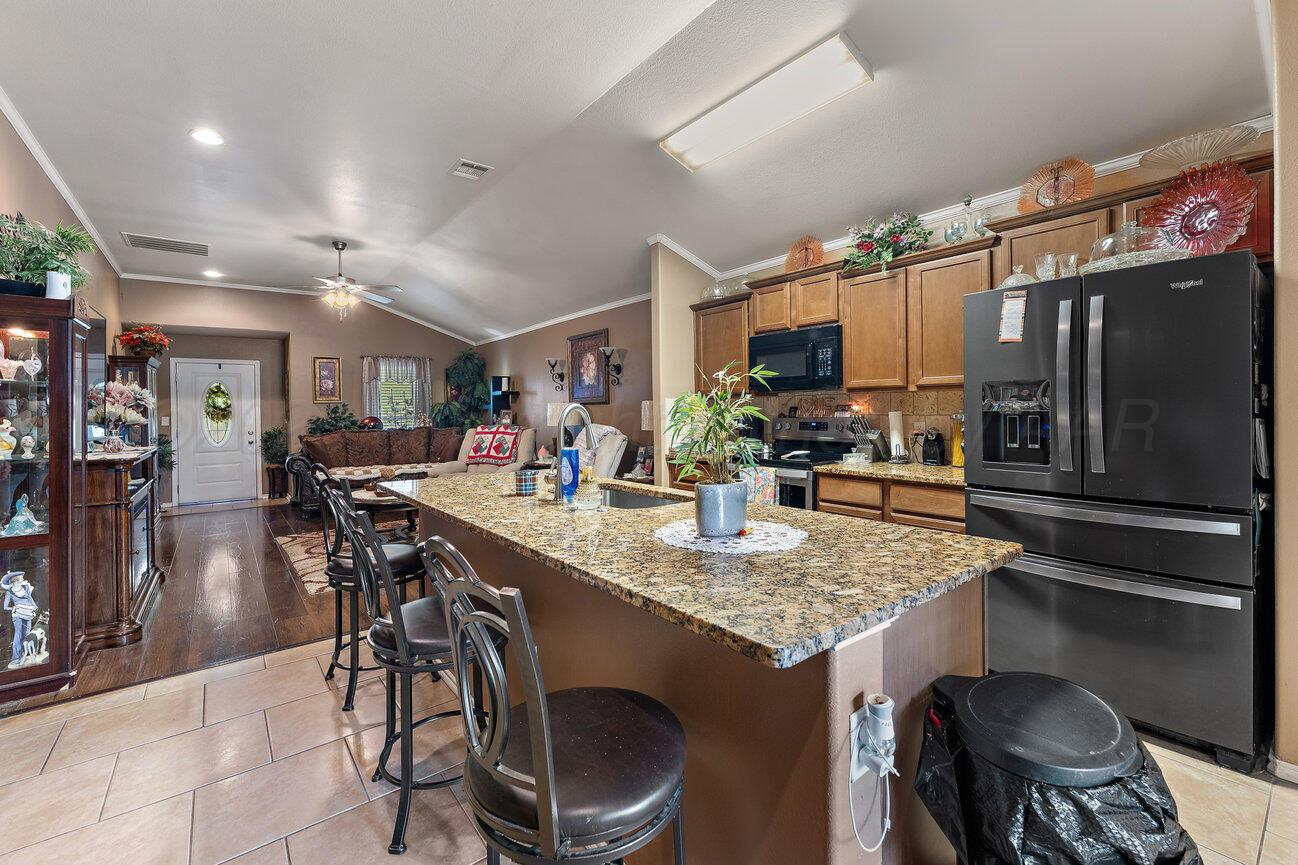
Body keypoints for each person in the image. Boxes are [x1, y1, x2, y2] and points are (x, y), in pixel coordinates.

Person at [2, 570, 37, 669]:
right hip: (18, 615)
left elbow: (30, 598)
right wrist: (14, 608)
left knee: (27, 633)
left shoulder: (25, 588)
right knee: (18, 634)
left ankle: (27, 654)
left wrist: (34, 607)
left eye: (17, 580)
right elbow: (5, 607)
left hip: (28, 613)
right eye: (13, 581)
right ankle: (16, 657)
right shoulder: (10, 592)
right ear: (10, 583)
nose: (16, 582)